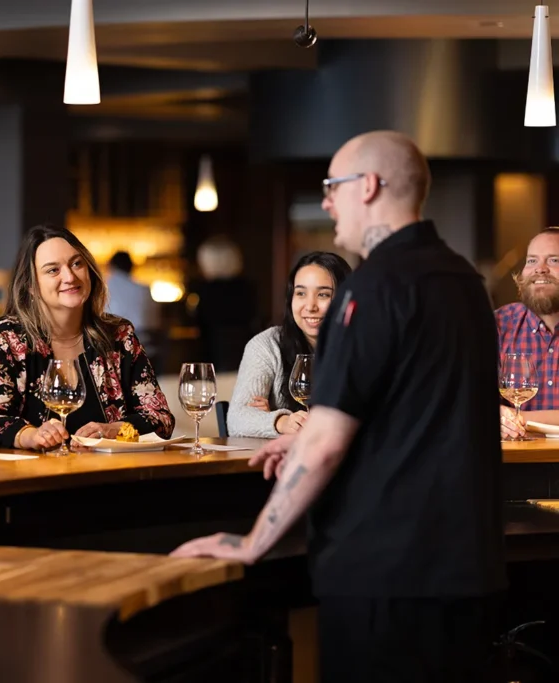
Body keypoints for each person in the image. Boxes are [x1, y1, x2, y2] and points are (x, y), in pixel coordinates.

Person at [171, 131, 505, 683]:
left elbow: (326, 446)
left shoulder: (370, 289)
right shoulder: (465, 281)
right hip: (468, 567)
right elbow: (414, 410)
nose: (326, 202)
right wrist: (300, 435)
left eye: (333, 186)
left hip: (387, 573)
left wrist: (253, 542)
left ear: (369, 186)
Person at [0, 225, 174, 450]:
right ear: (31, 286)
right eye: (53, 270)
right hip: (30, 478)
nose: (70, 276)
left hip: (109, 476)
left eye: (76, 263)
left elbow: (161, 418)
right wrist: (30, 435)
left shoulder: (119, 335)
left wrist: (114, 429)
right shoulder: (4, 338)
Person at [227, 252, 352, 438]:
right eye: (301, 293)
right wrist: (280, 422)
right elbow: (237, 419)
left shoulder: (364, 345)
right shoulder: (267, 345)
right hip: (285, 463)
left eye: (323, 294)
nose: (310, 306)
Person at [497, 227, 559, 438]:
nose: (539, 269)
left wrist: (516, 418)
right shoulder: (497, 325)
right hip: (514, 466)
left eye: (554, 260)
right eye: (532, 260)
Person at [191, 237, 257, 372]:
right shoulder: (247, 287)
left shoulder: (205, 289)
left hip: (213, 351)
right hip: (245, 350)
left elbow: (200, 321)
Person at [105, 251, 160, 359]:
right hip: (144, 345)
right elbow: (154, 323)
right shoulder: (143, 289)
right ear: (132, 267)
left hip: (113, 347)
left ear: (111, 266)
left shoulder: (103, 289)